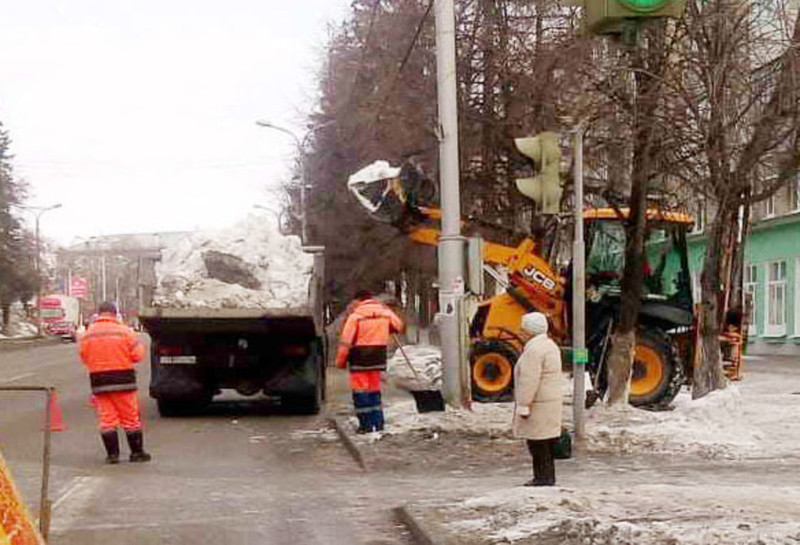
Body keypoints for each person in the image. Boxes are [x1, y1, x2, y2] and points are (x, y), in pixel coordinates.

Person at [79, 302, 151, 464]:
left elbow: (84, 357)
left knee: (107, 419)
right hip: (123, 381)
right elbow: (138, 356)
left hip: (99, 382)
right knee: (130, 418)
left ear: (99, 314)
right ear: (114, 314)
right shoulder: (125, 332)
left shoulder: (88, 335)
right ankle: (137, 453)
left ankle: (112, 455)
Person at [335, 290, 404, 433]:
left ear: (358, 300)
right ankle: (378, 423)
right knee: (374, 391)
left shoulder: (356, 317)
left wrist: (340, 361)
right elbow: (398, 326)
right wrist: (387, 327)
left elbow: (346, 343)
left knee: (360, 392)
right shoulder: (384, 312)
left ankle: (365, 425)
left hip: (359, 359)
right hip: (378, 357)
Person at [512, 312, 563, 486]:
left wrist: (523, 404)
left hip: (537, 404)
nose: (520, 331)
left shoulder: (533, 351)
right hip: (549, 402)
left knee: (537, 444)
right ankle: (547, 477)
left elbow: (529, 380)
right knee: (546, 443)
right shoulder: (549, 346)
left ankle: (542, 478)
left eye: (523, 328)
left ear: (530, 331)